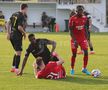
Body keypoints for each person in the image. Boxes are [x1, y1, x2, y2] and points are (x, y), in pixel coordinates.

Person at [69, 5, 91, 75]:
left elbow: (85, 27)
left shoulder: (85, 18)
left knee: (86, 52)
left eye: (81, 10)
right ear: (76, 11)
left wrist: (87, 36)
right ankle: (72, 69)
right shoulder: (72, 18)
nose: (80, 12)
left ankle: (84, 68)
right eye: (79, 10)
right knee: (74, 54)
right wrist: (74, 40)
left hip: (82, 38)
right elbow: (70, 31)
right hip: (74, 39)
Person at [6, 4, 28, 74]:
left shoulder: (14, 14)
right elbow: (19, 27)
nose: (27, 11)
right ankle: (17, 69)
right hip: (17, 36)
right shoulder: (21, 16)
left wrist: (8, 33)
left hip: (12, 35)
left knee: (16, 51)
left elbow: (8, 23)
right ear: (25, 8)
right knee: (18, 52)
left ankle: (13, 68)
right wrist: (24, 33)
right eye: (27, 9)